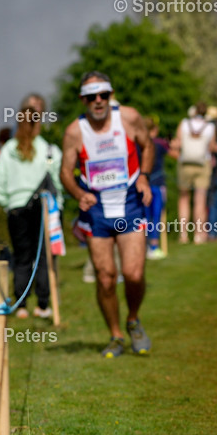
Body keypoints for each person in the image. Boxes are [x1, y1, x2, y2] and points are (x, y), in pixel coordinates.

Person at [59, 71, 154, 358]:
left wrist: (144, 176)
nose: (98, 101)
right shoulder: (74, 132)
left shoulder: (128, 117)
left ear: (110, 95)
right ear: (83, 100)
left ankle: (133, 319)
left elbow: (147, 146)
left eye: (103, 95)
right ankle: (115, 335)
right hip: (96, 209)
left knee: (133, 273)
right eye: (91, 96)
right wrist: (79, 194)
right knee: (105, 278)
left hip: (129, 202)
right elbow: (65, 173)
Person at [0, 94, 60, 320]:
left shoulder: (7, 150)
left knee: (21, 258)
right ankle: (42, 304)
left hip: (16, 211)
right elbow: (56, 184)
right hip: (40, 208)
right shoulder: (50, 150)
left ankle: (21, 305)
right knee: (41, 257)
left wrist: (8, 202)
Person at [174, 102, 216, 244]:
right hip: (203, 164)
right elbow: (211, 147)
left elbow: (177, 143)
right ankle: (198, 235)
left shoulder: (184, 123)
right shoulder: (210, 127)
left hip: (185, 163)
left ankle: (183, 235)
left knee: (184, 198)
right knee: (200, 199)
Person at [143, 116, 169, 260]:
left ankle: (146, 245)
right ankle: (153, 246)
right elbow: (173, 152)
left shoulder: (139, 144)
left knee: (146, 217)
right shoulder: (159, 144)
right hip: (157, 185)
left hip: (144, 185)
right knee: (156, 217)